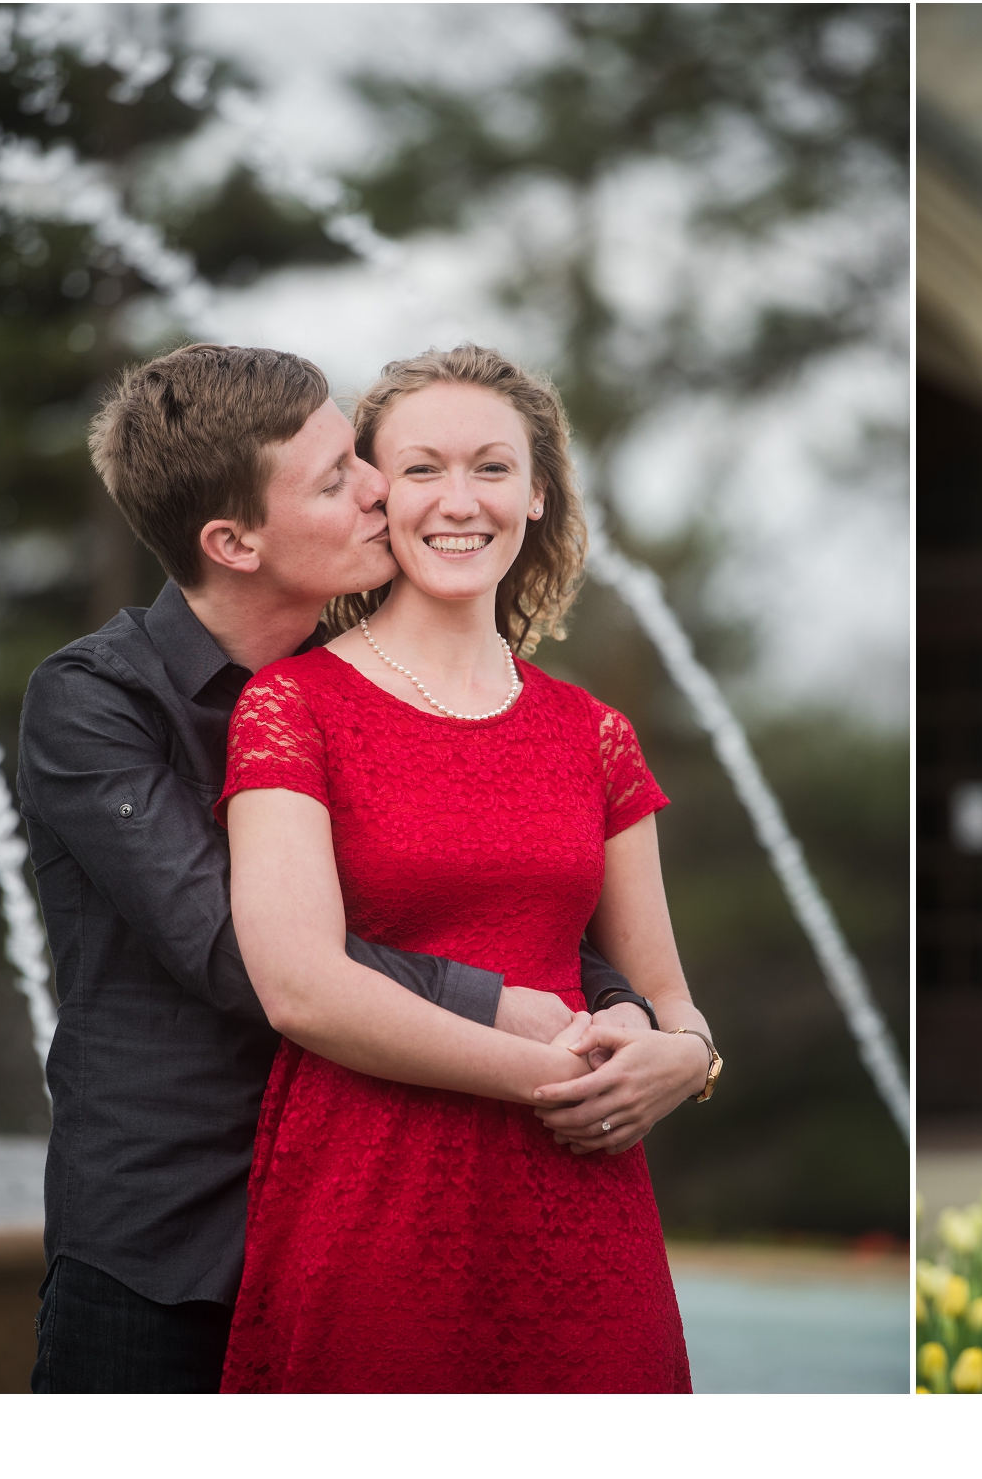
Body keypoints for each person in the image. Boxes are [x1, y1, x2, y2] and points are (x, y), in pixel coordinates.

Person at [16, 343, 683, 1393]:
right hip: (172, 1241)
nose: (383, 487)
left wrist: (640, 1020)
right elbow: (251, 958)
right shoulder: (99, 704)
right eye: (340, 478)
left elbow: (509, 905)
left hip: (374, 1198)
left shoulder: (376, 695)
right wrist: (507, 1011)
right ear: (235, 541)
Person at [216, 345, 712, 1393]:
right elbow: (300, 988)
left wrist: (687, 1059)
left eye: (491, 467)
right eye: (423, 467)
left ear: (537, 496)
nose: (458, 500)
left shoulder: (597, 734)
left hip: (584, 1192)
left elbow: (666, 995)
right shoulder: (291, 708)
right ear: (373, 492)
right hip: (375, 1186)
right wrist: (557, 1075)